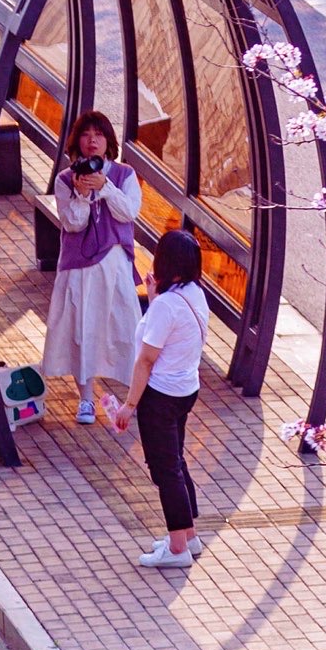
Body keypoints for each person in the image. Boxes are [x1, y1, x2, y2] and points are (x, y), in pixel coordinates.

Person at [42, 110, 141, 425]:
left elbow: (129, 213)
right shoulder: (64, 180)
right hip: (79, 267)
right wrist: (82, 193)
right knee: (80, 331)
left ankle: (134, 396)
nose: (92, 140)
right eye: (86, 135)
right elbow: (72, 224)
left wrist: (106, 186)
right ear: (77, 142)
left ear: (108, 140)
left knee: (125, 326)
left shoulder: (125, 174)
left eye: (98, 134)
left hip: (114, 265)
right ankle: (85, 399)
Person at [122, 227, 208, 570]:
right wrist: (156, 297)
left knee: (165, 469)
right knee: (176, 462)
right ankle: (188, 535)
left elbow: (146, 359)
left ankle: (176, 550)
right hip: (186, 388)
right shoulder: (195, 294)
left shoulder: (166, 306)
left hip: (160, 397)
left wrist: (129, 405)